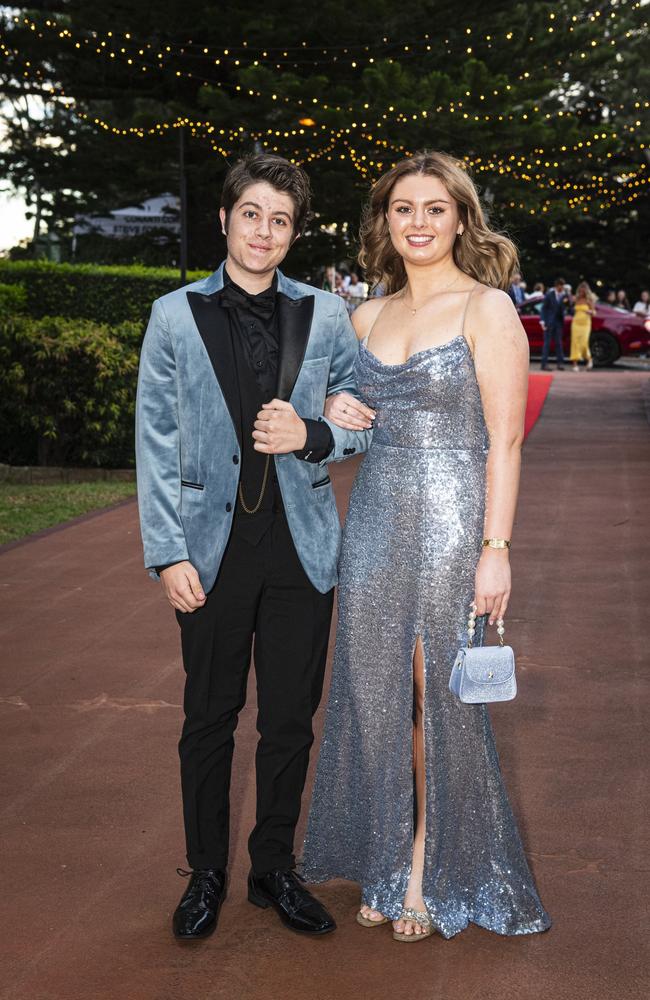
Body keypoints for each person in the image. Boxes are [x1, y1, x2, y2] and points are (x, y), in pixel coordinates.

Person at [302, 150, 551, 942]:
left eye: (434, 208)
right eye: (403, 208)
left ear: (460, 219)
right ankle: (381, 854)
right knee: (374, 698)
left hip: (454, 526)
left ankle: (425, 865)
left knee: (437, 697)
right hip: (374, 522)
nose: (417, 222)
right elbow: (335, 423)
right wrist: (335, 401)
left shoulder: (487, 310)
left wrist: (497, 548)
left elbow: (505, 443)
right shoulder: (364, 319)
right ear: (384, 221)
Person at [135, 153, 373, 941]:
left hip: (303, 550)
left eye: (280, 220)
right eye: (251, 214)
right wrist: (167, 553)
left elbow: (362, 415)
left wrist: (314, 433)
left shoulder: (327, 315)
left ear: (294, 232)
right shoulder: (174, 315)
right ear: (226, 220)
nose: (264, 231)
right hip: (208, 553)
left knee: (289, 720)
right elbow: (156, 440)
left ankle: (273, 868)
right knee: (209, 716)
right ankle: (206, 872)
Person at [540, 277, 569, 370]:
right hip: (549, 322)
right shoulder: (549, 295)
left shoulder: (565, 296)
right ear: (556, 286)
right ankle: (544, 364)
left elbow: (568, 307)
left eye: (563, 286)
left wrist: (568, 301)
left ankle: (560, 363)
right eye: (560, 286)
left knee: (559, 344)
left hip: (559, 323)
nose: (562, 288)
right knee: (547, 344)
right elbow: (543, 308)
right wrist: (542, 320)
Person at [569, 281, 595, 372]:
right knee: (575, 343)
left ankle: (589, 359)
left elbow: (594, 312)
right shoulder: (576, 299)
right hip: (576, 323)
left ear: (586, 291)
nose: (581, 293)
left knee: (584, 342)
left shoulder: (589, 300)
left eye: (583, 291)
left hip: (586, 324)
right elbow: (570, 308)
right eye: (580, 291)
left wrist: (590, 312)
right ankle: (575, 364)